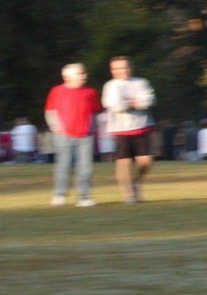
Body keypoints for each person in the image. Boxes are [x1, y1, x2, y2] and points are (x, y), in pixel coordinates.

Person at [45, 63, 102, 206]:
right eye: (80, 74)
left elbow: (95, 111)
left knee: (85, 168)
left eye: (84, 73)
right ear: (67, 76)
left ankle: (84, 197)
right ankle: (59, 195)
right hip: (63, 135)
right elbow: (50, 111)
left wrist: (92, 128)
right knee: (63, 166)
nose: (84, 76)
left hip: (85, 136)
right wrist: (57, 128)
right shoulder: (56, 91)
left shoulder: (90, 91)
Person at [102, 56, 156, 204]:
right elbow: (113, 105)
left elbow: (148, 101)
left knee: (146, 161)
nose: (122, 70)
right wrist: (134, 102)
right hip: (121, 129)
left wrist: (129, 102)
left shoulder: (141, 82)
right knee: (123, 163)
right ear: (112, 70)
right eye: (118, 68)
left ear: (131, 67)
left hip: (142, 126)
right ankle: (128, 194)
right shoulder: (110, 86)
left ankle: (136, 183)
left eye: (125, 67)